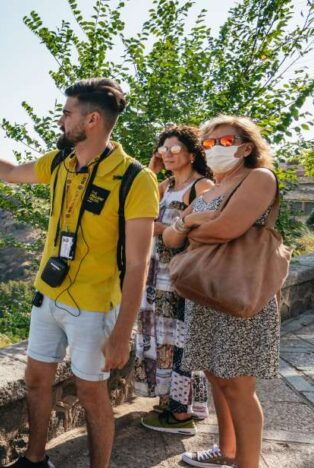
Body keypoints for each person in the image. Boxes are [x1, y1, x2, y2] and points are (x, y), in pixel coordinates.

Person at [0, 78, 159, 468]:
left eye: (67, 113)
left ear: (91, 120)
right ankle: (35, 460)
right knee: (36, 381)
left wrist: (122, 334)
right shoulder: (60, 163)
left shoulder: (134, 179)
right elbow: (9, 172)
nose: (60, 120)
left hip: (93, 308)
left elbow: (139, 264)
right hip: (48, 298)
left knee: (92, 395)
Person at [162, 116, 279, 468]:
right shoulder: (212, 190)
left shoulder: (258, 178)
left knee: (240, 388)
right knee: (217, 378)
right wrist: (189, 223)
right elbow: (169, 237)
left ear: (246, 147)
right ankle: (226, 451)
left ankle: (247, 464)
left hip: (240, 294)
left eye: (223, 142)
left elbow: (228, 229)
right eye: (208, 144)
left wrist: (191, 225)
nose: (214, 149)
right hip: (207, 294)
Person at [134, 125, 214, 435]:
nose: (166, 153)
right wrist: (151, 172)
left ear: (192, 153)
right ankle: (169, 401)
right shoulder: (166, 185)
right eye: (162, 149)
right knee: (162, 337)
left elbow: (207, 225)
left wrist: (163, 228)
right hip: (158, 275)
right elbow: (139, 210)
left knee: (181, 340)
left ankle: (182, 415)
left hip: (182, 274)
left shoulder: (203, 186)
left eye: (174, 148)